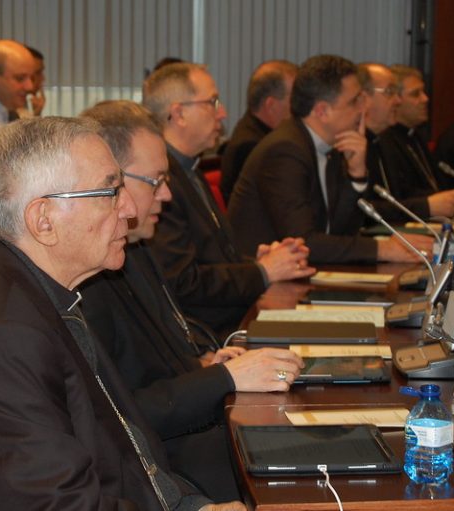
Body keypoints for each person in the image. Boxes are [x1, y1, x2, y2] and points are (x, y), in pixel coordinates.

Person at [0, 116, 245, 511]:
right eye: (110, 191)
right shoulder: (2, 339)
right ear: (44, 220)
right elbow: (63, 506)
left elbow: (128, 449)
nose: (129, 208)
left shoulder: (38, 289)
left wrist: (194, 506)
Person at [80, 100, 304, 502]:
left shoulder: (136, 246)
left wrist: (205, 365)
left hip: (187, 433)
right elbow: (118, 416)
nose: (166, 195)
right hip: (163, 465)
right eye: (155, 181)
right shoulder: (87, 275)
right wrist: (222, 379)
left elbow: (160, 356)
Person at [143, 62, 314, 335]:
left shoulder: (188, 168)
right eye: (212, 102)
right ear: (179, 114)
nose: (222, 113)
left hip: (233, 320)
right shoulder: (159, 182)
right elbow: (184, 283)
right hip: (211, 334)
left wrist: (256, 262)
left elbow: (209, 258)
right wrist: (262, 271)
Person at [228, 55, 434, 264]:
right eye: (354, 101)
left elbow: (341, 232)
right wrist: (382, 249)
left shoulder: (331, 146)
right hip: (268, 278)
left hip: (310, 270)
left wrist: (356, 174)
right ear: (322, 111)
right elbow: (304, 243)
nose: (363, 109)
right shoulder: (284, 151)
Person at [360, 62, 454, 222]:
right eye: (390, 92)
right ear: (363, 98)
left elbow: (398, 197)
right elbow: (359, 212)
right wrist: (427, 205)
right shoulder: (351, 144)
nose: (397, 100)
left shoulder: (382, 140)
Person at [219, 60, 297, 204]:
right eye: (294, 99)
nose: (299, 106)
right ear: (271, 105)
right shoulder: (252, 146)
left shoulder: (256, 132)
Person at [17, 46, 46, 118]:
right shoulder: (9, 108)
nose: (43, 78)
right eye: (38, 72)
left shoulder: (23, 107)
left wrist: (37, 114)